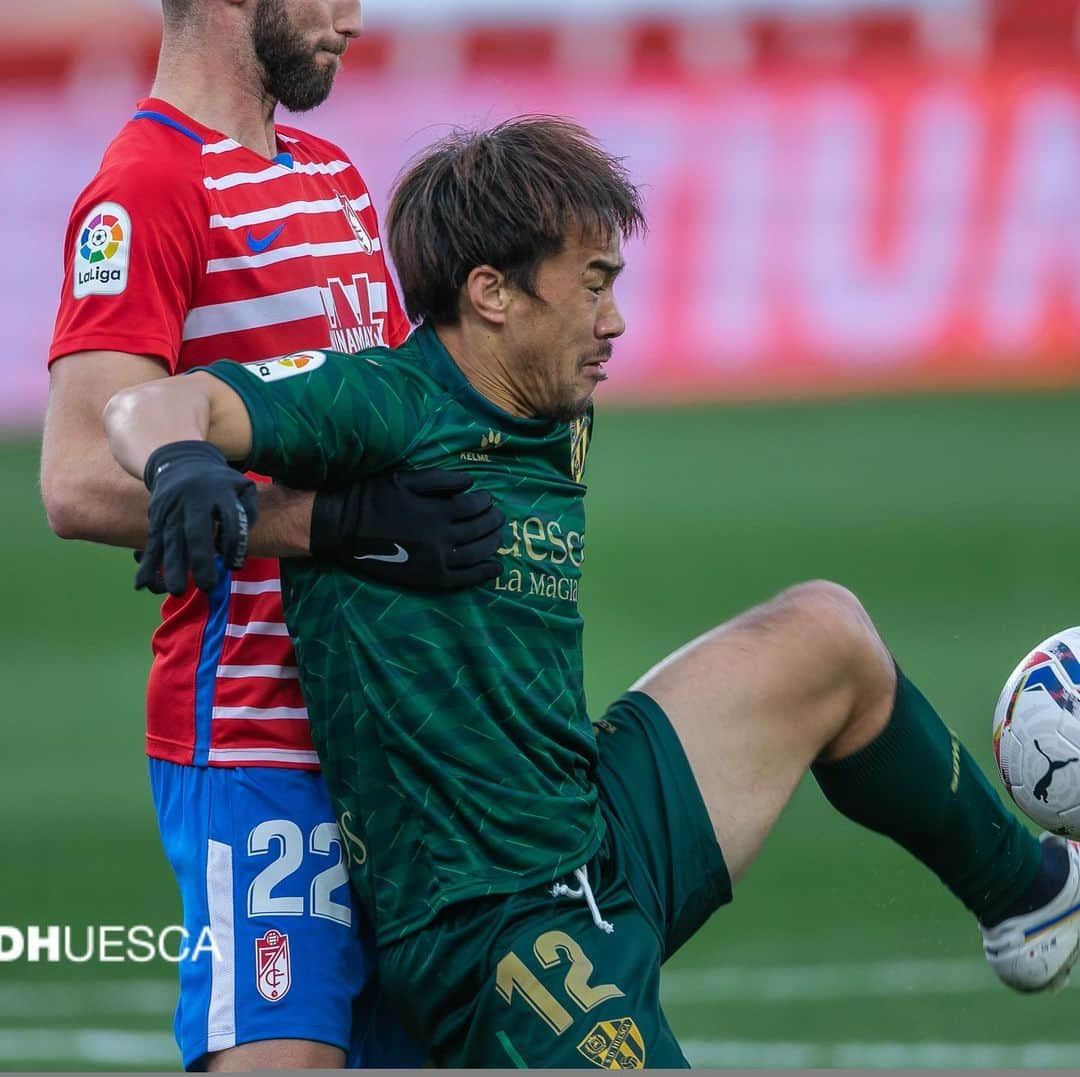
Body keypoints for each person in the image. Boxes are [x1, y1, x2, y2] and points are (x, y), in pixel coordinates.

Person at [103, 116, 1080, 1068]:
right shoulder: (380, 405)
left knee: (827, 636)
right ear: (492, 294)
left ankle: (1031, 892)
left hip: (594, 827)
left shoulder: (555, 398)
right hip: (494, 932)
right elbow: (151, 402)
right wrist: (183, 462)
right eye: (594, 287)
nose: (615, 321)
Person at [41, 0, 502, 1069]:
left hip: (383, 732)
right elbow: (72, 480)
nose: (355, 13)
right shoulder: (146, 187)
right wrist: (337, 526)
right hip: (255, 737)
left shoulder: (333, 175)